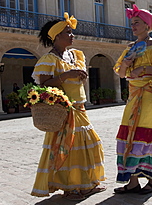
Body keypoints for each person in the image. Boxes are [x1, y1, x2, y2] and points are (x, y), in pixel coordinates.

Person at [30, 13, 106, 200]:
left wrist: (78, 75)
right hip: (64, 110)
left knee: (89, 144)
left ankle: (85, 183)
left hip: (80, 108)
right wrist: (67, 75)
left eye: (72, 32)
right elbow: (44, 84)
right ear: (56, 37)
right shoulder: (50, 59)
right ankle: (72, 187)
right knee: (70, 148)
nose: (72, 35)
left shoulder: (75, 55)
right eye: (68, 32)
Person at [113, 5, 152, 195]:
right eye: (132, 23)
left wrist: (144, 70)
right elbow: (121, 74)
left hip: (149, 97)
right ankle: (132, 182)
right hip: (133, 96)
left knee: (144, 134)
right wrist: (127, 63)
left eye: (136, 23)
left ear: (147, 25)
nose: (133, 26)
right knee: (128, 133)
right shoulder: (130, 48)